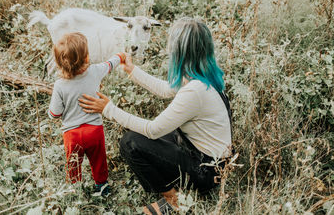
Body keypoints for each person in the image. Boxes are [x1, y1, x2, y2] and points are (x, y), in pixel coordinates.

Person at [78, 17, 232, 214]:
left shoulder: (195, 91)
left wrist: (108, 109)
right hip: (208, 157)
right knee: (159, 132)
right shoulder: (203, 75)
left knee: (131, 142)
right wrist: (133, 71)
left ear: (180, 51)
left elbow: (153, 130)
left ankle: (174, 201)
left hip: (207, 170)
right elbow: (167, 89)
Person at [48, 32, 125, 197]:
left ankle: (75, 191)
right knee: (98, 159)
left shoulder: (59, 85)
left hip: (72, 134)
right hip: (94, 130)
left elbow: (55, 114)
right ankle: (102, 185)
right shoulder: (95, 71)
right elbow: (110, 64)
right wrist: (120, 56)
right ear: (86, 57)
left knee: (73, 164)